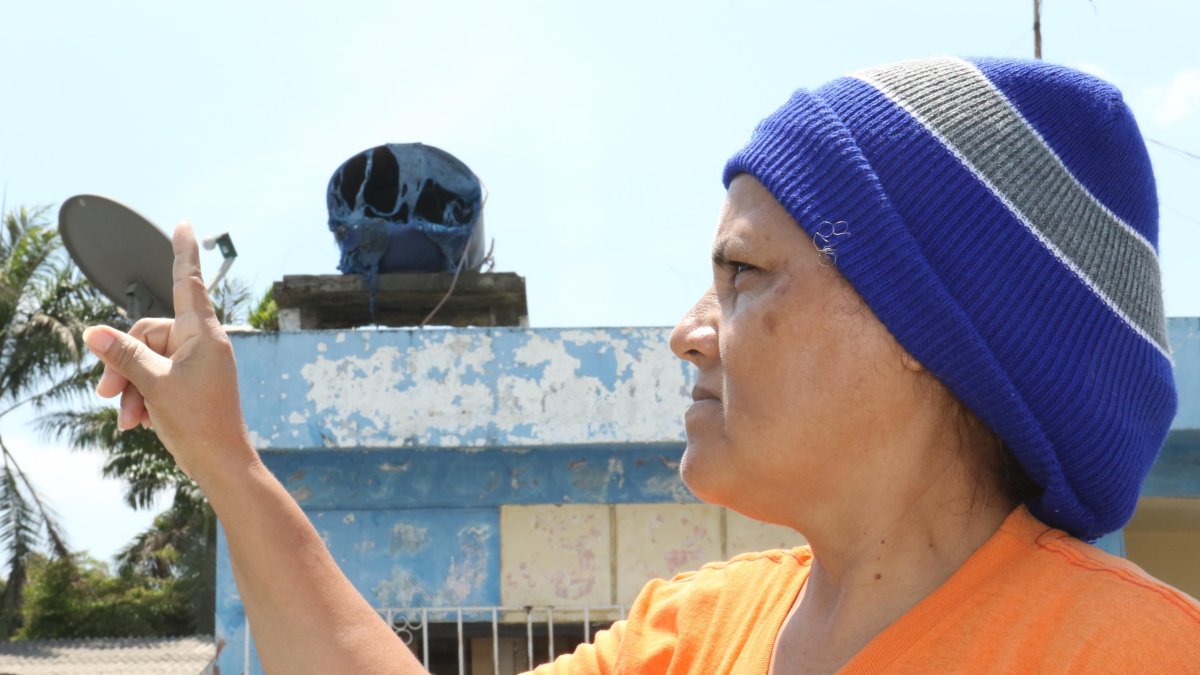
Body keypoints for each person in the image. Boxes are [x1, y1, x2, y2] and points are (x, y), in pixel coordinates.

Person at [82, 56, 1199, 673]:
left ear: (928, 327)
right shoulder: (697, 635)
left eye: (744, 272)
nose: (688, 331)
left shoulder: (1133, 655)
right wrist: (225, 458)